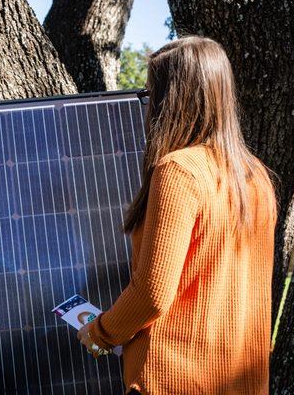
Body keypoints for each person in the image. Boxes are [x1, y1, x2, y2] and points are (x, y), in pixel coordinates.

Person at [77, 36, 277, 394]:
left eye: (153, 94)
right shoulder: (256, 176)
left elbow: (152, 293)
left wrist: (99, 334)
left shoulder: (179, 170)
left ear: (171, 100)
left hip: (174, 381)